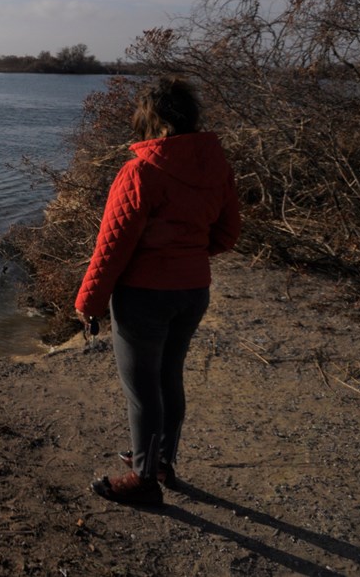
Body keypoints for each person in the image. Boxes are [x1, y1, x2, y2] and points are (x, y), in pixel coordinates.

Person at [75, 75, 241, 505]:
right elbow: (227, 234)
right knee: (169, 377)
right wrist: (186, 255)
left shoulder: (141, 172)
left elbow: (111, 247)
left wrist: (88, 302)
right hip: (192, 290)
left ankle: (145, 480)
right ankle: (161, 460)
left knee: (143, 388)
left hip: (144, 296)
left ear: (153, 122)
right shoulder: (215, 165)